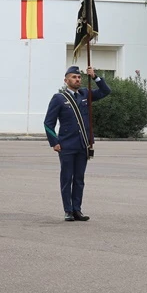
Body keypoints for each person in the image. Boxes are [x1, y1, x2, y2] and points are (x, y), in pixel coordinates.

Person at [44, 66, 110, 222]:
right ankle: (68, 210)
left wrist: (95, 77)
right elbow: (48, 123)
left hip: (83, 144)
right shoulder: (59, 98)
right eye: (74, 77)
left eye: (79, 77)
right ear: (66, 80)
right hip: (66, 145)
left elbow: (105, 91)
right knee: (67, 178)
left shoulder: (85, 94)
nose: (77, 80)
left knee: (79, 179)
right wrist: (54, 142)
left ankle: (77, 210)